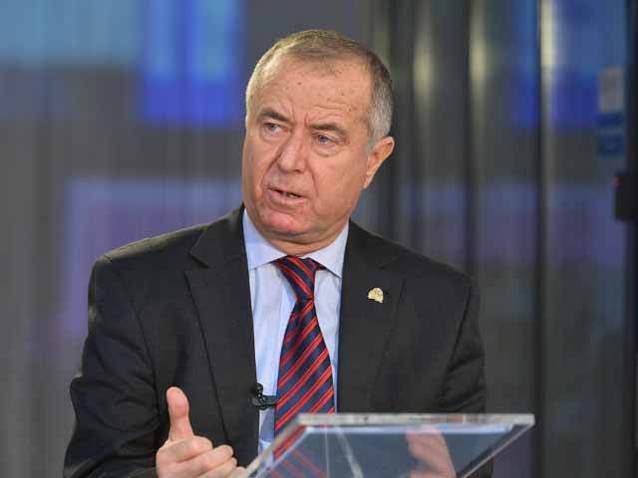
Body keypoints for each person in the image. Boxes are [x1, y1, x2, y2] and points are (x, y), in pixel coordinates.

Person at [64, 30, 486, 477]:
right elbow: (94, 470)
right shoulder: (138, 286)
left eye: (324, 138)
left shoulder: (439, 304)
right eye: (273, 127)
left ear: (373, 161)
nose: (289, 160)